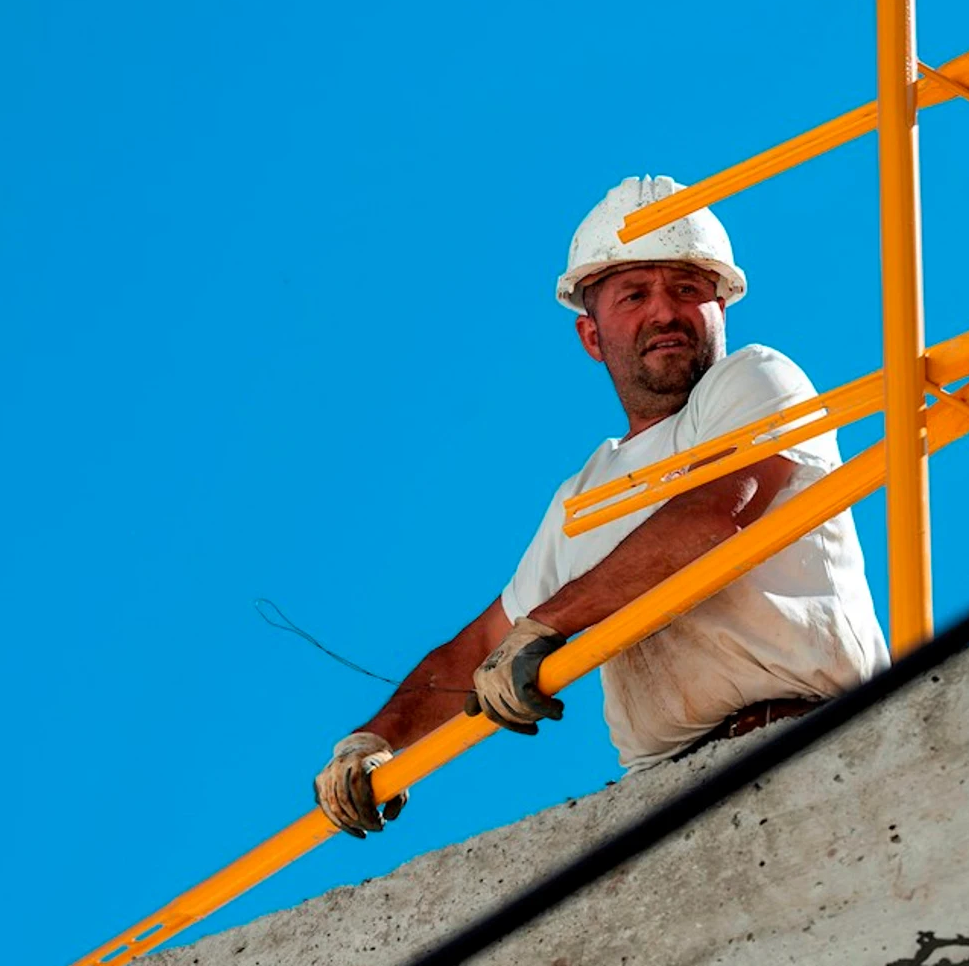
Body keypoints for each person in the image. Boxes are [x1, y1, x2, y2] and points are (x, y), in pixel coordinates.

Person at [313, 176, 890, 839]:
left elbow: (713, 513)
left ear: (720, 308)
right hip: (670, 801)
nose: (664, 311)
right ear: (592, 335)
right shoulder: (588, 496)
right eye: (634, 294)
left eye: (685, 287)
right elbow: (478, 647)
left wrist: (550, 622)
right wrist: (374, 740)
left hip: (819, 751)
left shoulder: (757, 380)